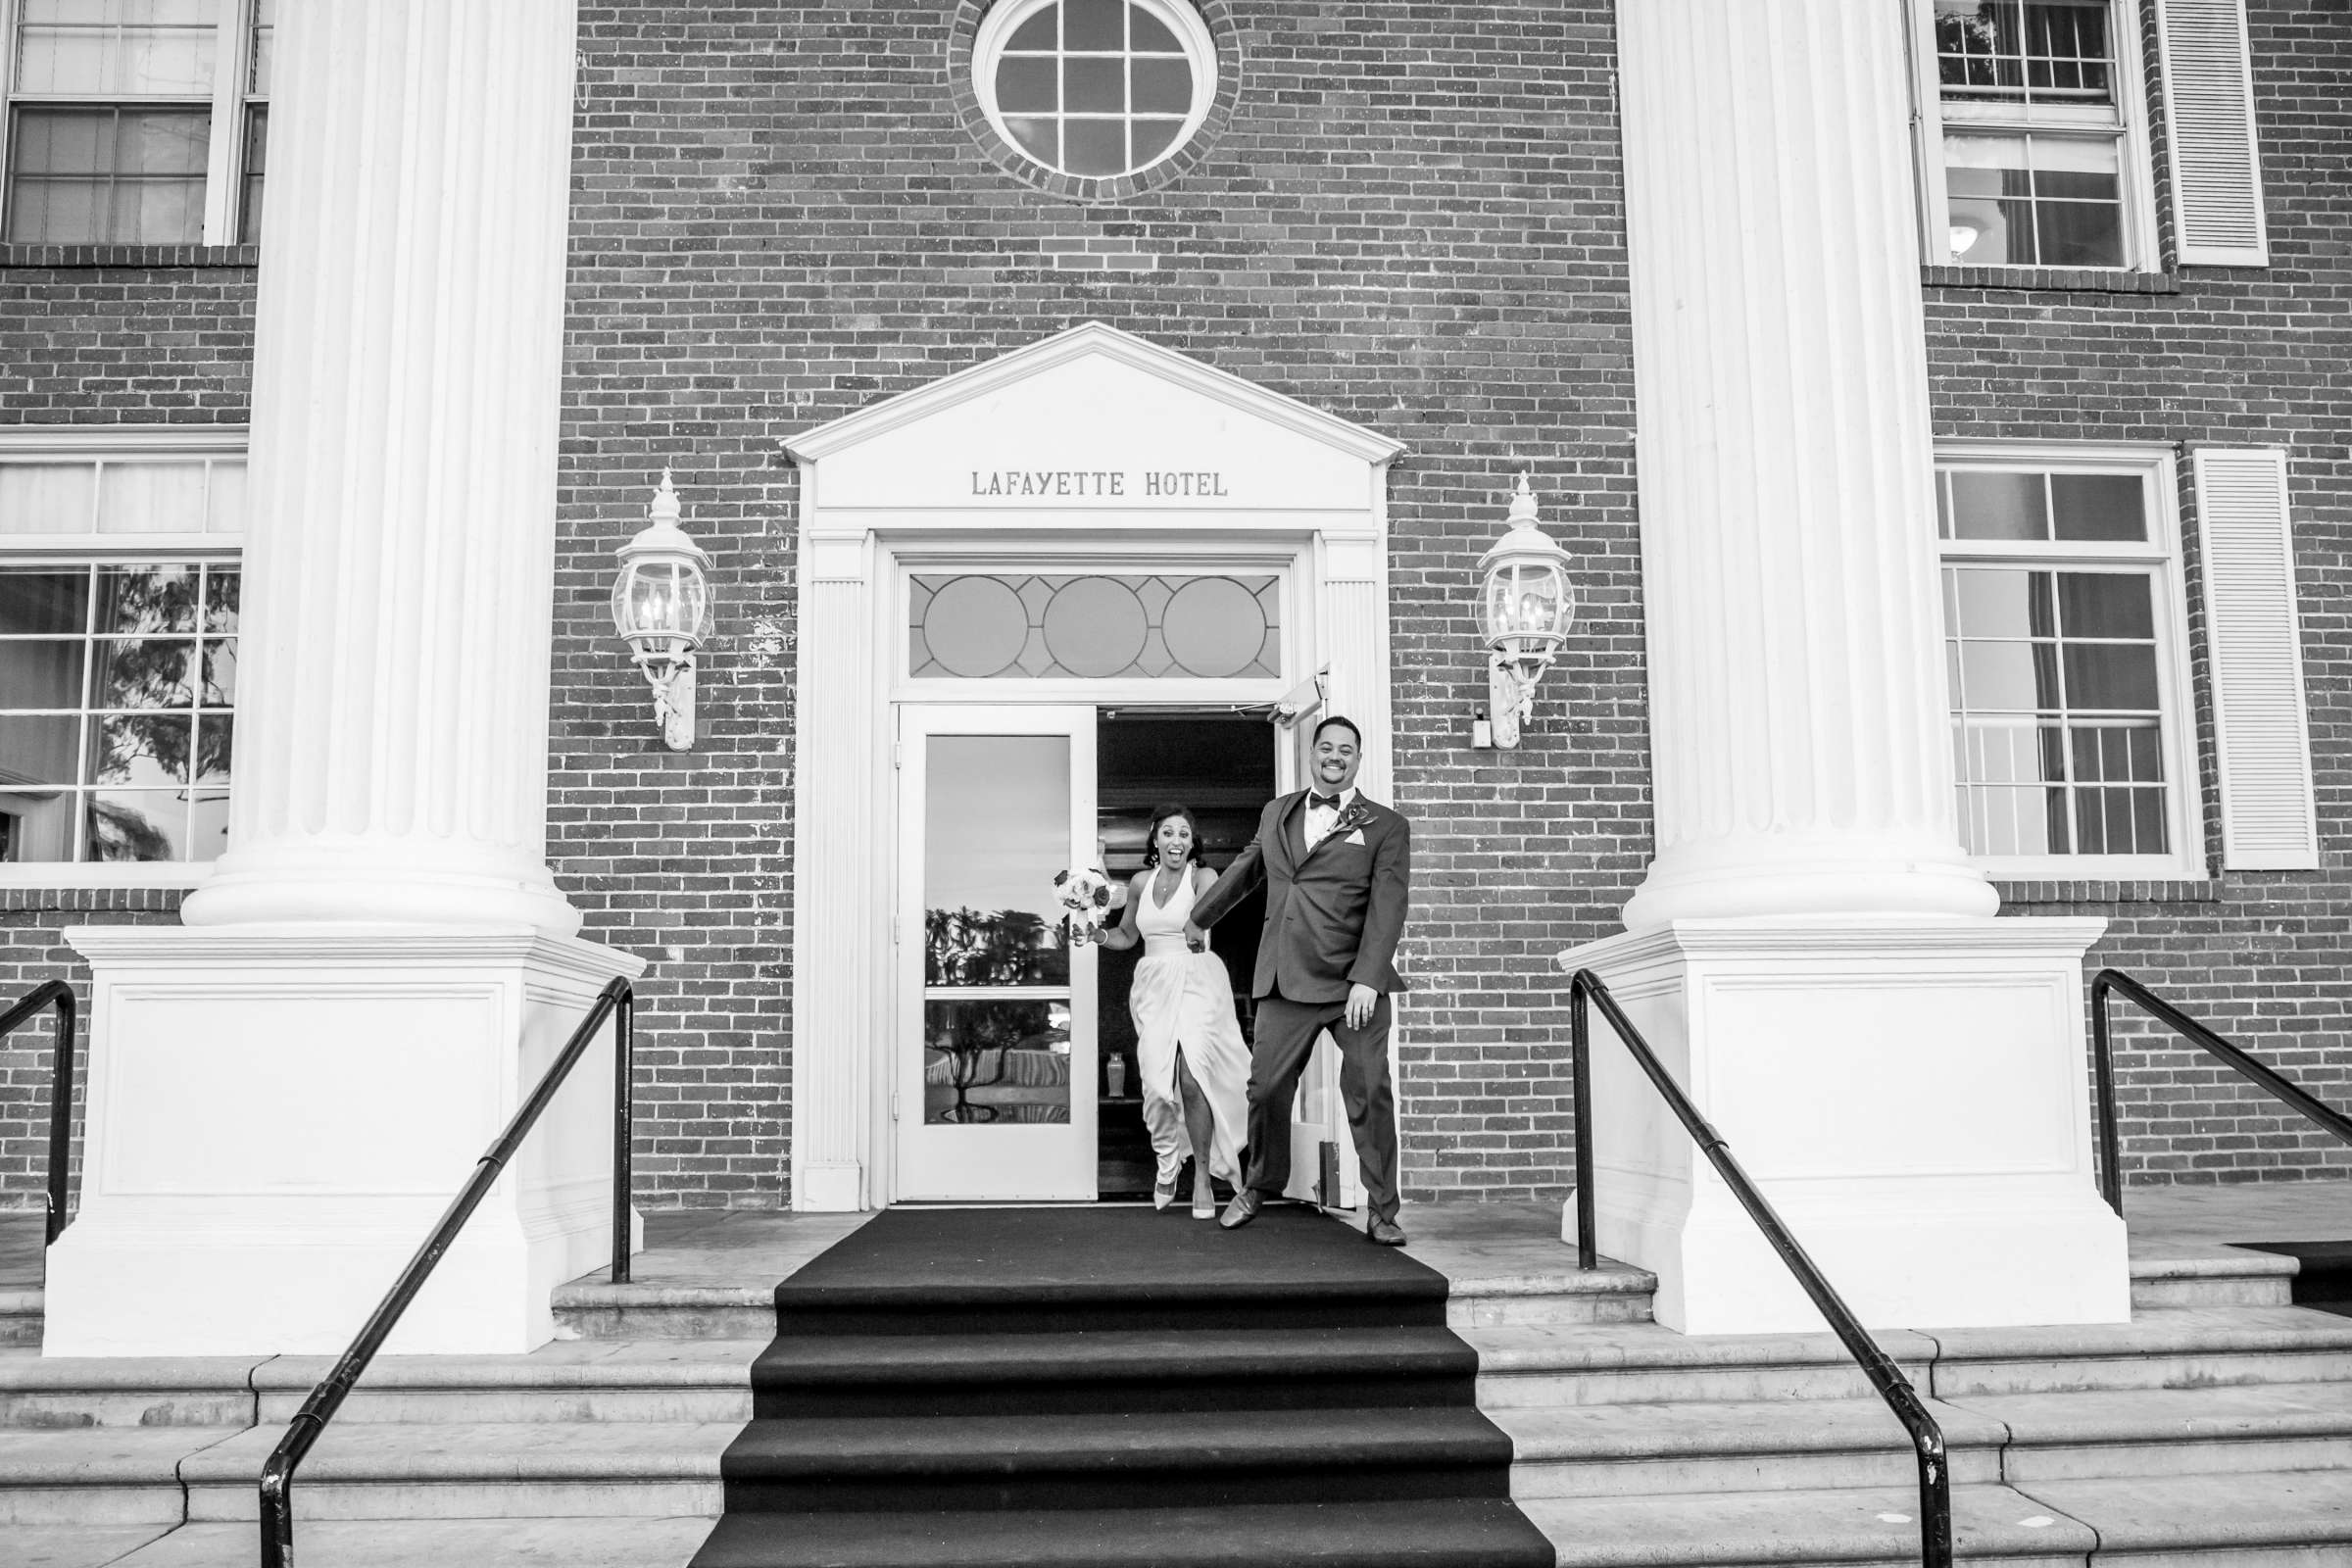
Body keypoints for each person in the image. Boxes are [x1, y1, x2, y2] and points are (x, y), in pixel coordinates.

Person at [1187, 715, 1412, 1246]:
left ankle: (1382, 1209)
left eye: (1347, 750)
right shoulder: (1277, 812)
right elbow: (1248, 868)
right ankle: (1260, 1185)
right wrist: (1201, 916)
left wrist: (1368, 979)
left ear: (1359, 759)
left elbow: (1389, 908)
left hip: (1351, 986)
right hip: (1286, 978)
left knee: (1369, 1091)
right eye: (1327, 747)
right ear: (1312, 754)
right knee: (1264, 1089)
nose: (1335, 756)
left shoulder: (1384, 825)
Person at [1087, 805, 1252, 1219]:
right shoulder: (1141, 882)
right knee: (1157, 1085)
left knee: (1192, 1077)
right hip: (1153, 984)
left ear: (1192, 842)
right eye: (1168, 833)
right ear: (1155, 839)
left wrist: (1200, 924)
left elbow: (1219, 906)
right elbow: (1127, 936)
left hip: (1197, 977)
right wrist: (1096, 933)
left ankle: (1201, 1177)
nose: (1176, 840)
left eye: (1184, 833)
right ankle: (1167, 1158)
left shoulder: (1204, 877)